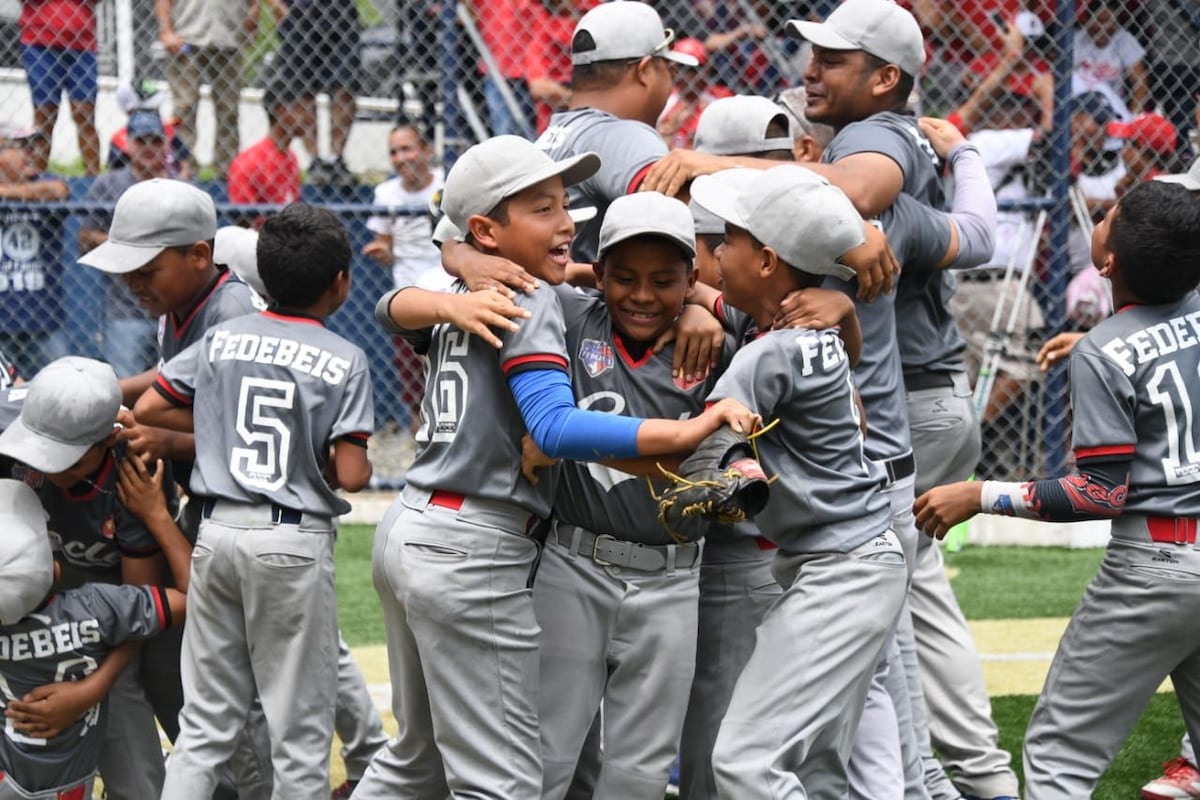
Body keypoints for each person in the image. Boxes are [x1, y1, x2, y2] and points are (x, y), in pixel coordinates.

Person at [351, 135, 757, 799]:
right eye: (543, 208)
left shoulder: (478, 284)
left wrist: (706, 304)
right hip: (480, 541)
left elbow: (391, 304)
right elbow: (553, 426)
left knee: (418, 757)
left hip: (417, 523)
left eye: (565, 205)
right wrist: (682, 434)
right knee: (508, 779)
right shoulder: (539, 298)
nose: (566, 221)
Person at [915, 179, 1200, 800]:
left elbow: (1100, 494)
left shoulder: (1105, 351)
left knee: (1058, 756)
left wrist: (980, 494)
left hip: (1153, 569)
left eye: (1107, 217)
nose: (1101, 220)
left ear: (1107, 262)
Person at [134, 203, 375, 800]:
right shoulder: (345, 357)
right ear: (339, 281)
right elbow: (352, 474)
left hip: (214, 533)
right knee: (299, 730)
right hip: (289, 540)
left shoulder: (223, 334)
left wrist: (218, 431)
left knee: (206, 725)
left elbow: (151, 407)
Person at [690, 165, 906, 798]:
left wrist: (725, 471)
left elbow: (716, 435)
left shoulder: (770, 350)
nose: (715, 250)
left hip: (840, 570)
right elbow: (717, 300)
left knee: (745, 762)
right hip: (859, 561)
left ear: (765, 260)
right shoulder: (803, 324)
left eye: (727, 239)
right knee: (814, 771)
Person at [529, 191, 738, 800]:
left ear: (691, 278)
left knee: (640, 771)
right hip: (573, 563)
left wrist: (701, 308)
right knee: (546, 752)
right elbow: (471, 261)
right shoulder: (568, 316)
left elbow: (788, 322)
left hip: (673, 578)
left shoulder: (715, 345)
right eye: (623, 278)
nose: (642, 296)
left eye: (665, 281)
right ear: (598, 273)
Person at [0, 357, 175, 800]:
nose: (45, 468)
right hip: (18, 596)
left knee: (138, 783)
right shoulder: (7, 429)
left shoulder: (132, 464)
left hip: (104, 608)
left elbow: (136, 608)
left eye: (62, 456)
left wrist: (91, 689)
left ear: (108, 438)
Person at [0, 477, 187, 800]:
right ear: (57, 570)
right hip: (69, 789)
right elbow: (192, 596)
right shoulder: (97, 608)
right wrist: (158, 515)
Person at [363, 123, 448, 432]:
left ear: (426, 150)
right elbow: (385, 242)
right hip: (409, 299)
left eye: (407, 148)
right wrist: (382, 251)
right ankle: (421, 460)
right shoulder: (385, 193)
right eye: (394, 152)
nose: (401, 158)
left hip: (448, 293)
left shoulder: (445, 183)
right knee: (416, 392)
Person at [77, 115, 176, 380]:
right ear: (128, 146)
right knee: (123, 387)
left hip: (174, 309)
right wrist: (127, 245)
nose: (148, 147)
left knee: (174, 389)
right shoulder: (108, 185)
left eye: (155, 140)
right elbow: (85, 237)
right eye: (140, 141)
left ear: (166, 145)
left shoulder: (180, 188)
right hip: (125, 308)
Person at [0, 125, 69, 378]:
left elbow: (59, 190)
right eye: (21, 146)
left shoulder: (43, 184)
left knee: (60, 389)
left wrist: (4, 193)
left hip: (42, 323)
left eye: (33, 145)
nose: (31, 152)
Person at [155, 0, 253, 178]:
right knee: (184, 107)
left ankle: (227, 172)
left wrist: (252, 20)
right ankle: (183, 170)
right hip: (187, 35)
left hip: (227, 34)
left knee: (229, 109)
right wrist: (166, 31)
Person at [268, 0, 360, 184]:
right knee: (303, 94)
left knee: (345, 90)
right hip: (298, 15)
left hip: (340, 16)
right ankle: (315, 162)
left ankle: (336, 160)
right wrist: (277, 6)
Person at [18, 0, 100, 175]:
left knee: (84, 112)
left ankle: (94, 183)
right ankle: (37, 178)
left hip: (81, 42)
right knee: (45, 113)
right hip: (39, 40)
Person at [227, 80, 312, 210]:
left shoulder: (291, 158)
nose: (309, 117)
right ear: (281, 111)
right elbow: (243, 221)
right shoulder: (249, 163)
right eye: (302, 110)